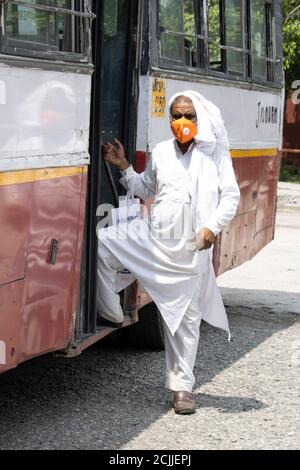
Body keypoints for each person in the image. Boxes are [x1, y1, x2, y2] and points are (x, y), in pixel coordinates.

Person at [97, 91, 240, 415]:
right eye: (176, 116)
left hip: (190, 250)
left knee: (182, 322)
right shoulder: (161, 151)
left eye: (189, 116)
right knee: (103, 244)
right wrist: (122, 165)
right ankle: (111, 312)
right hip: (153, 238)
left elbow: (230, 197)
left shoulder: (215, 155)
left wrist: (211, 228)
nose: (182, 122)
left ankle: (182, 389)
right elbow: (146, 188)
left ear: (199, 120)